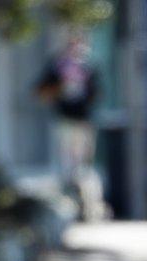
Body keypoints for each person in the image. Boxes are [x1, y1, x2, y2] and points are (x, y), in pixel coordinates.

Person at [35, 32, 99, 185]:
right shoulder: (57, 66)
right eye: (73, 45)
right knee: (66, 153)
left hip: (83, 118)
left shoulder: (88, 68)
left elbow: (95, 94)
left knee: (83, 154)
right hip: (64, 117)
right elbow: (41, 91)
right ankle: (67, 181)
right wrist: (60, 88)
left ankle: (81, 180)